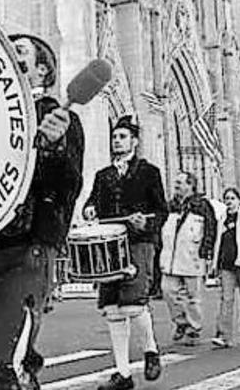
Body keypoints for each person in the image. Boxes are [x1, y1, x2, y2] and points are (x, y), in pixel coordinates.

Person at [0, 34, 84, 389]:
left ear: (42, 70)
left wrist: (54, 148)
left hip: (26, 249)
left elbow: (67, 188)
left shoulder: (57, 117)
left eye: (20, 50)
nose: (10, 52)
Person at [82, 115, 168, 390]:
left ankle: (151, 352)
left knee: (133, 303)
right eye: (114, 136)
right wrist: (89, 209)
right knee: (111, 309)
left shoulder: (148, 172)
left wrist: (148, 221)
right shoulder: (102, 176)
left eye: (122, 136)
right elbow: (91, 203)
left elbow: (162, 210)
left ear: (134, 141)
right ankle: (123, 374)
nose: (116, 141)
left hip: (138, 243)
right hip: (108, 249)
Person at [160, 171, 216, 346]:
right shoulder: (170, 206)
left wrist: (207, 251)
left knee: (193, 296)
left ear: (190, 185)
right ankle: (181, 322)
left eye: (180, 183)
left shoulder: (202, 205)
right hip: (171, 257)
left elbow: (210, 229)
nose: (176, 185)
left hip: (192, 255)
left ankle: (194, 328)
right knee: (168, 291)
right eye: (175, 182)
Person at [210, 188, 240, 348]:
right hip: (226, 265)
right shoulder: (222, 220)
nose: (229, 202)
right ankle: (223, 335)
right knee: (226, 299)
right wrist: (216, 264)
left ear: (239, 200)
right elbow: (217, 243)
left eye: (232, 198)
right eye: (226, 199)